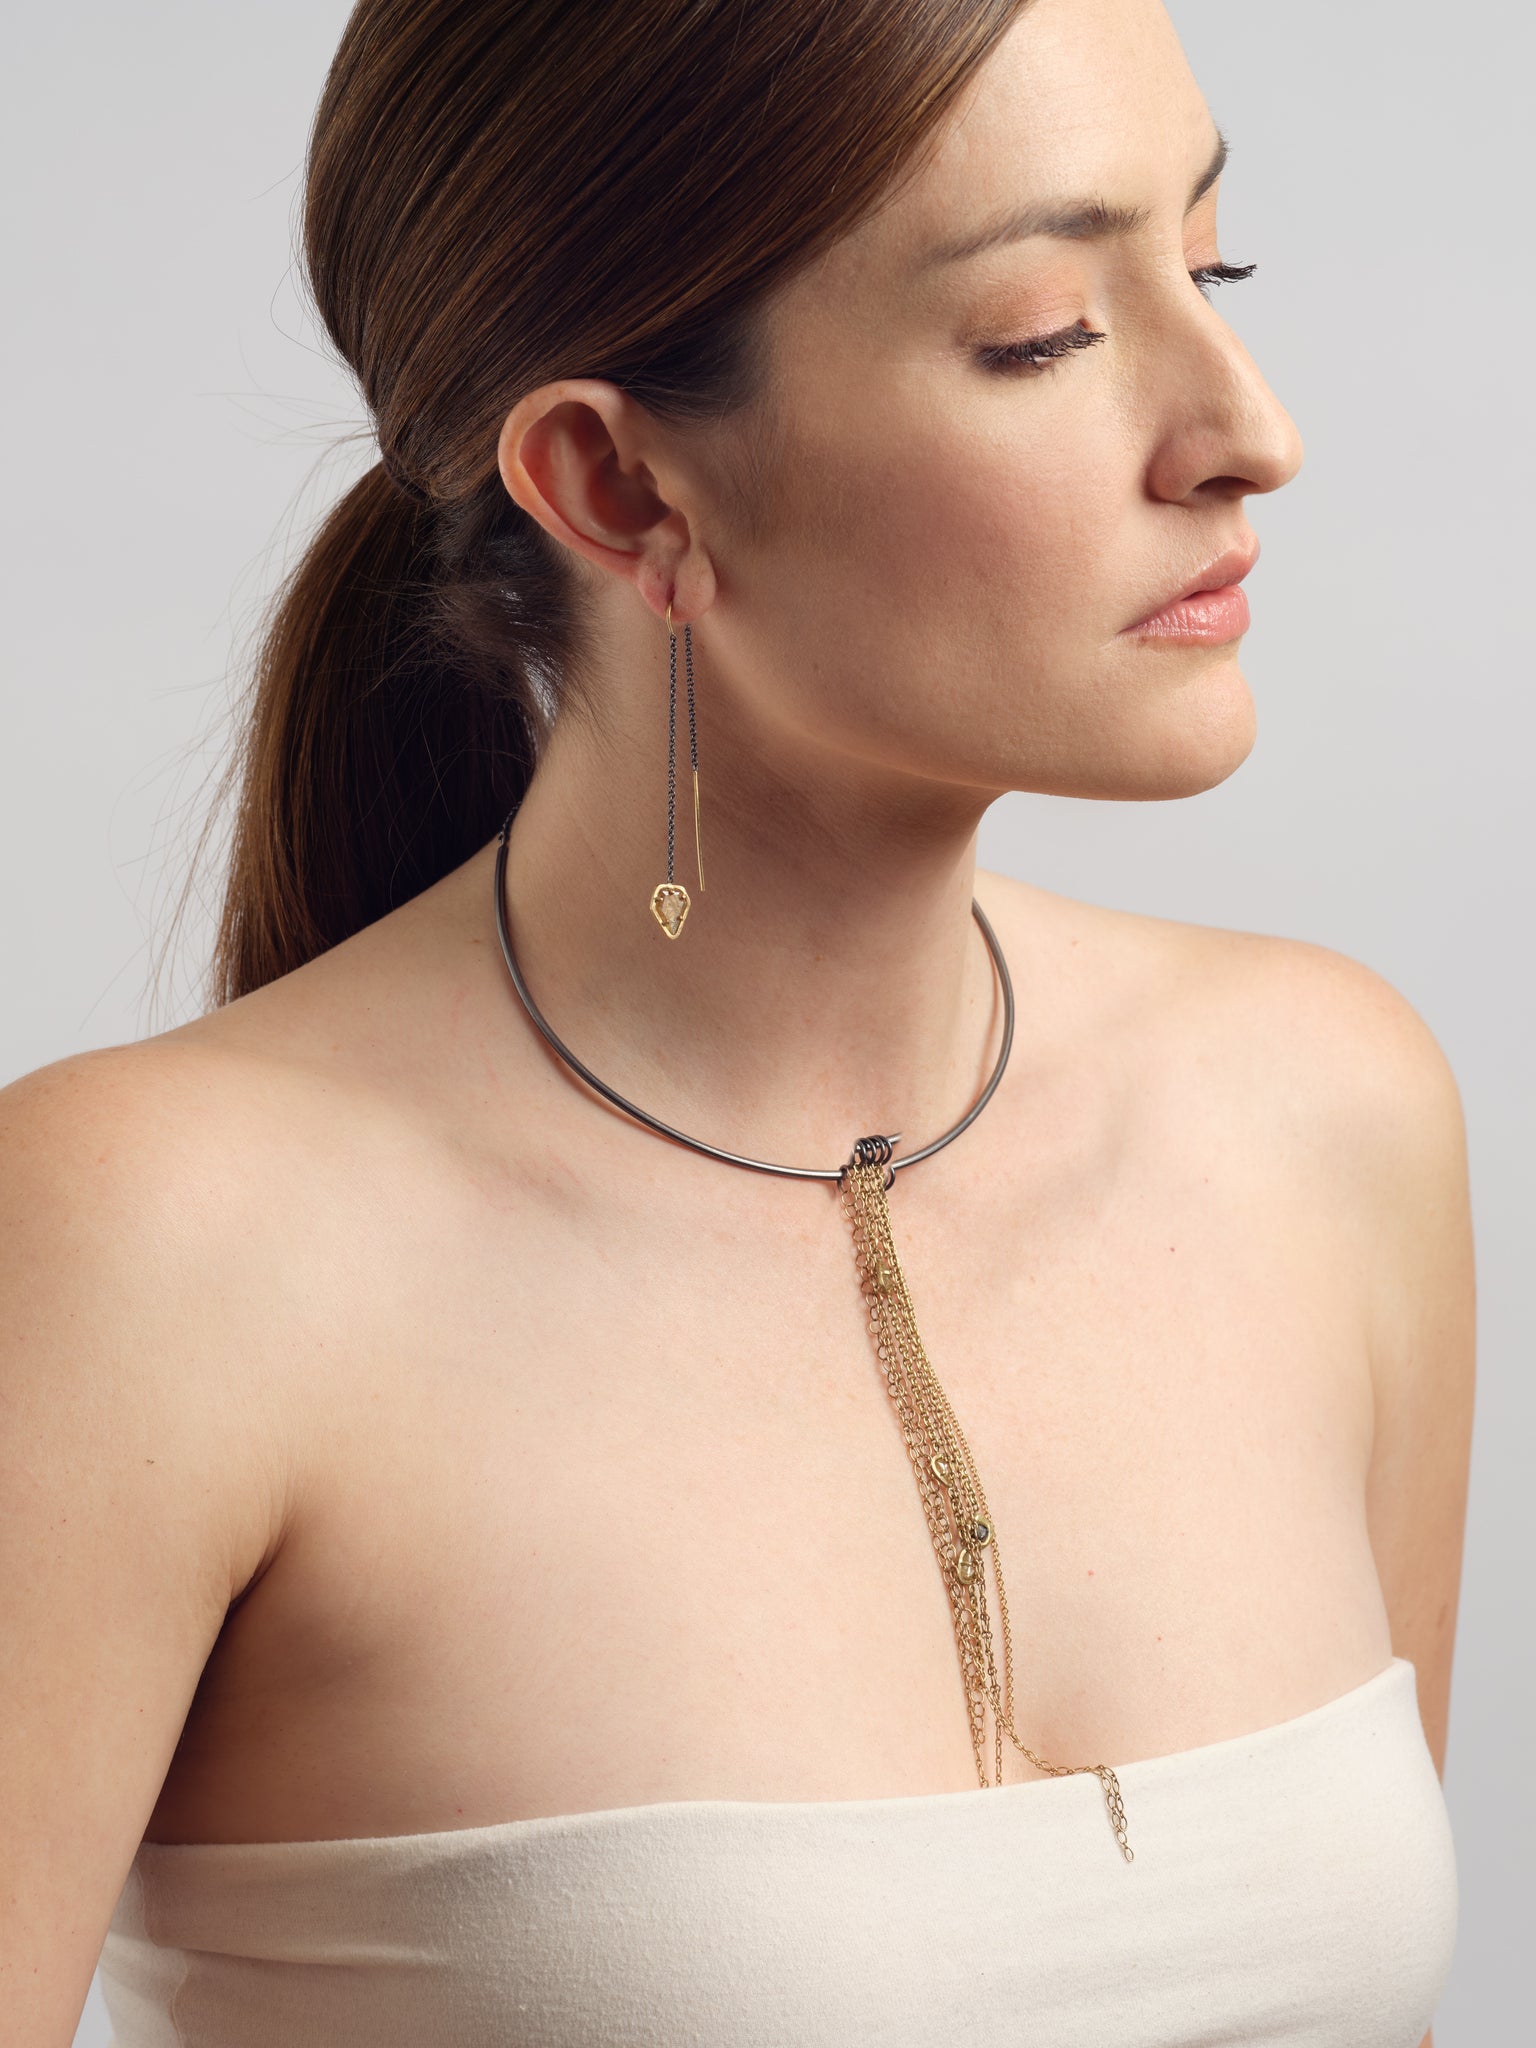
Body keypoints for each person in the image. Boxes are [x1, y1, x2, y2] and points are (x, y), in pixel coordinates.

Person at [0, 0, 1472, 2042]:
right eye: (1046, 332)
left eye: (1210, 268)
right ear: (618, 487)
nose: (1249, 429)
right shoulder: (149, 1249)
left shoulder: (1328, 1118)